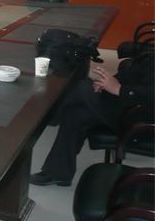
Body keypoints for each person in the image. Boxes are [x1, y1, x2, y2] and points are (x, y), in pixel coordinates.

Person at [30, 49, 154, 186]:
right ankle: (57, 173)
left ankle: (37, 117)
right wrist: (107, 84)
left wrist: (119, 89)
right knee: (77, 112)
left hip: (140, 122)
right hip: (128, 104)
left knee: (79, 88)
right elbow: (134, 74)